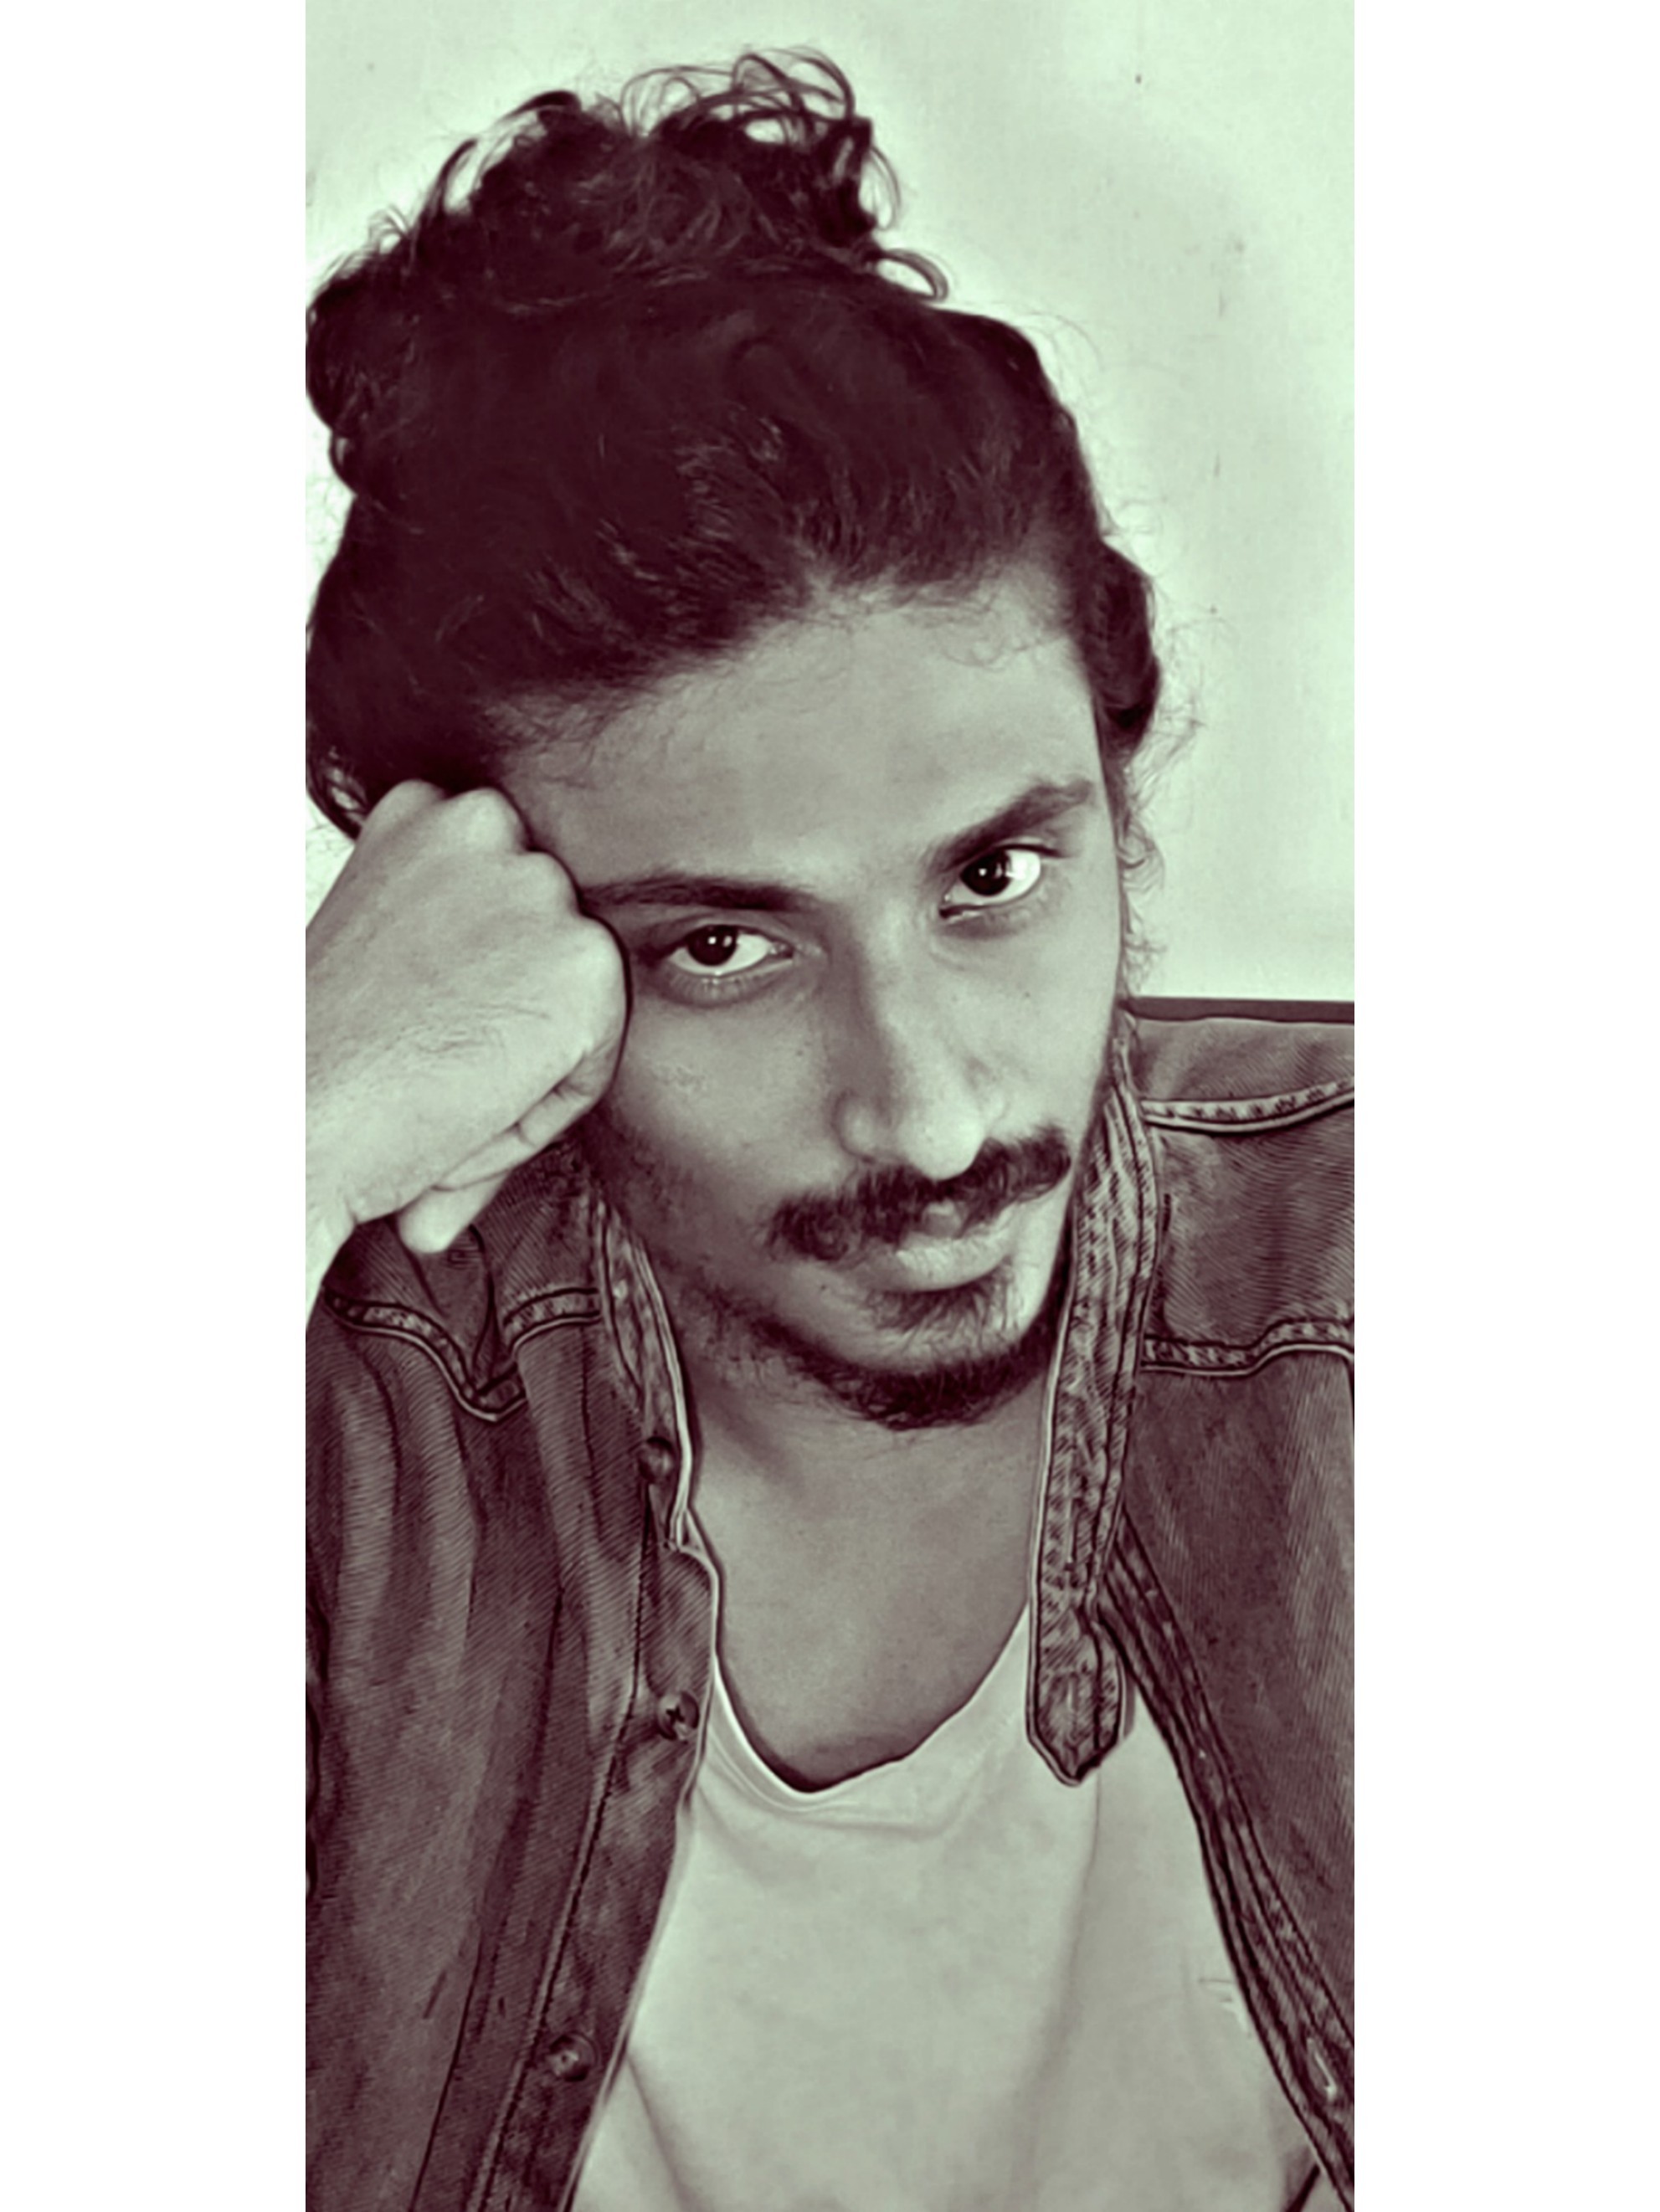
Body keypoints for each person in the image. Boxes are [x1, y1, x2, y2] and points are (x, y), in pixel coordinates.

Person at [306, 52, 1353, 2212]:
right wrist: (277, 1118)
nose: (934, 1111)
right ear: (484, 930)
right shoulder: (344, 1402)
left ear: (1114, 783)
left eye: (995, 879)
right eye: (723, 947)